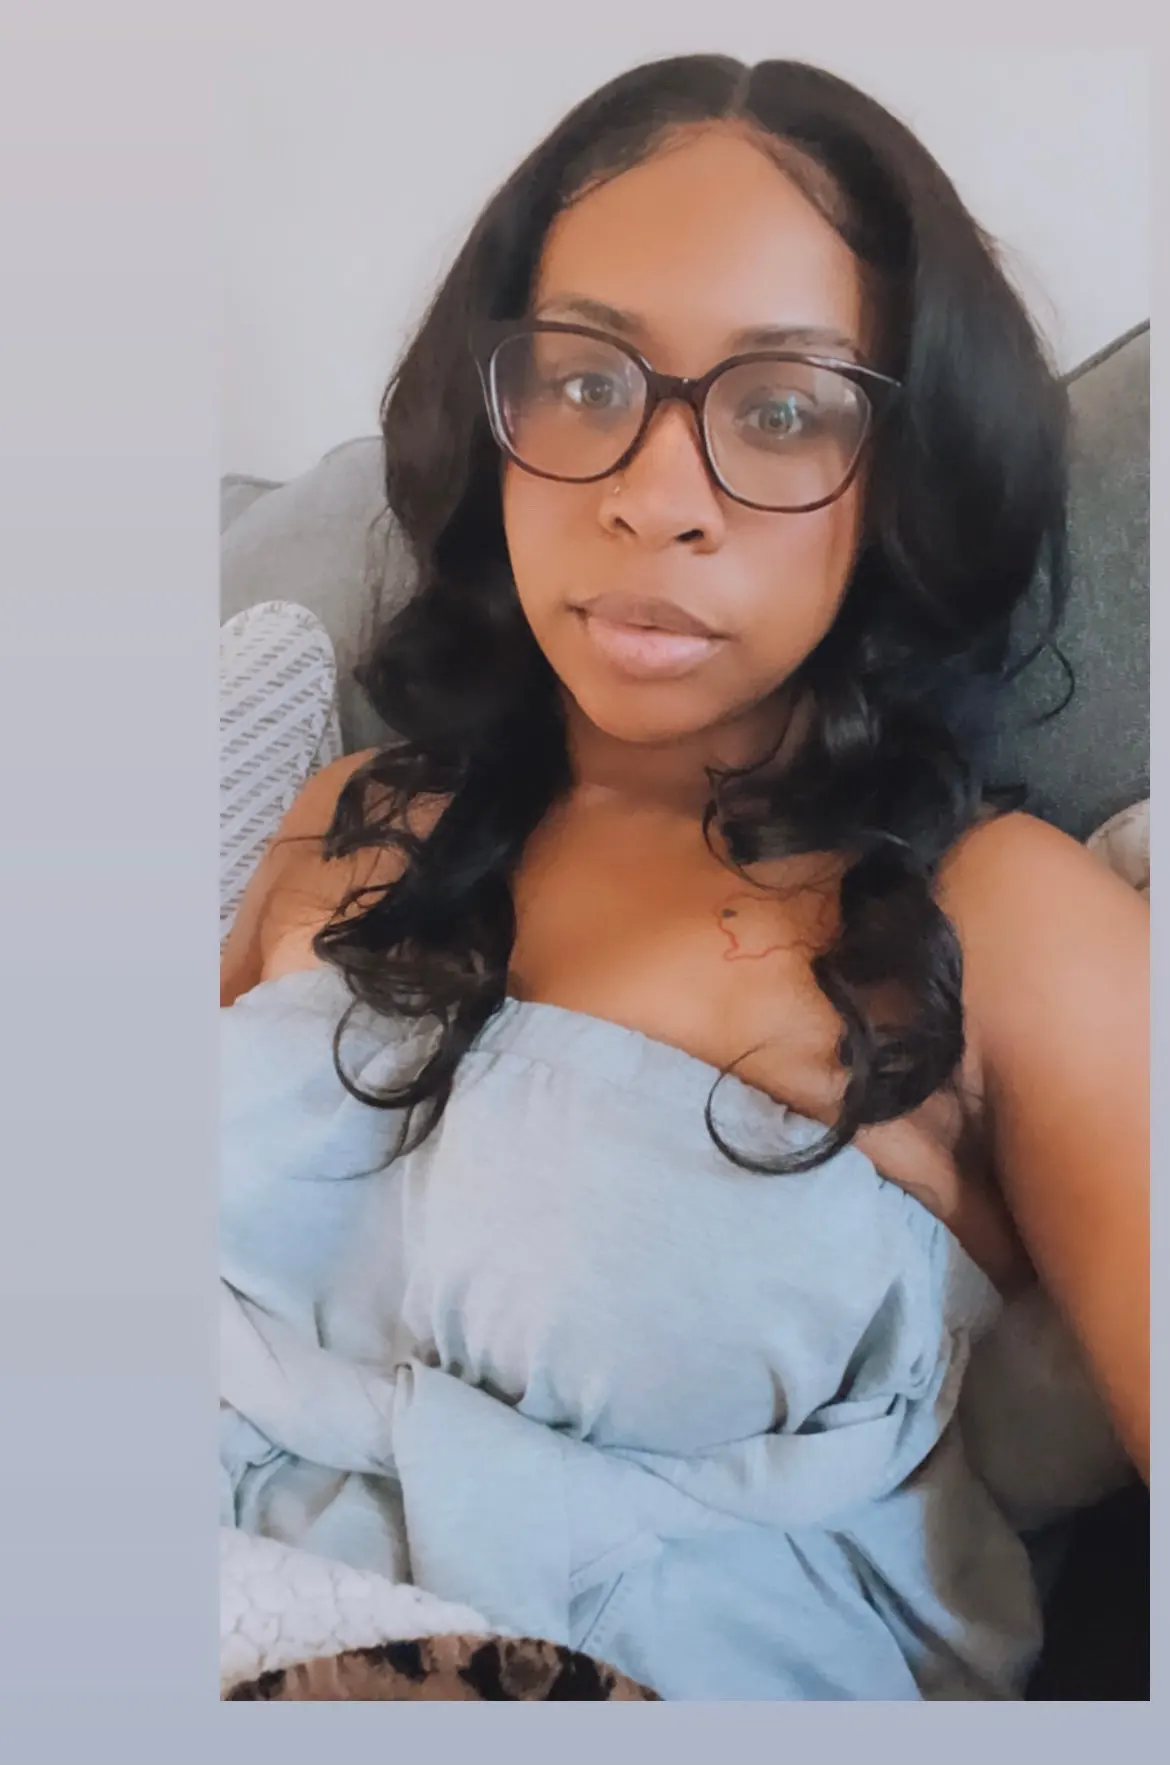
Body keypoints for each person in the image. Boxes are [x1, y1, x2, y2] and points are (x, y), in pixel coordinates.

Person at [219, 55, 1148, 1700]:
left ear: (910, 468)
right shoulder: (346, 818)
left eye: (780, 412)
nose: (654, 500)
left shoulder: (1008, 926)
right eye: (583, 381)